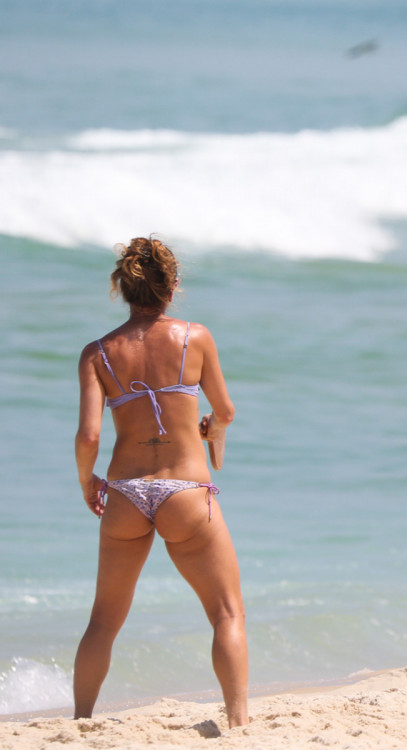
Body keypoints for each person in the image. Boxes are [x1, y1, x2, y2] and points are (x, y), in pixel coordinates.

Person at [73, 237, 247, 726]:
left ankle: (81, 720)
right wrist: (214, 429)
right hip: (186, 493)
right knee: (227, 613)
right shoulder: (196, 338)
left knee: (103, 622)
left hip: (126, 492)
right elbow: (227, 411)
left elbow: (89, 435)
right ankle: (238, 722)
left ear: (123, 290)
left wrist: (88, 482)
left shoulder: (97, 353)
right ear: (172, 287)